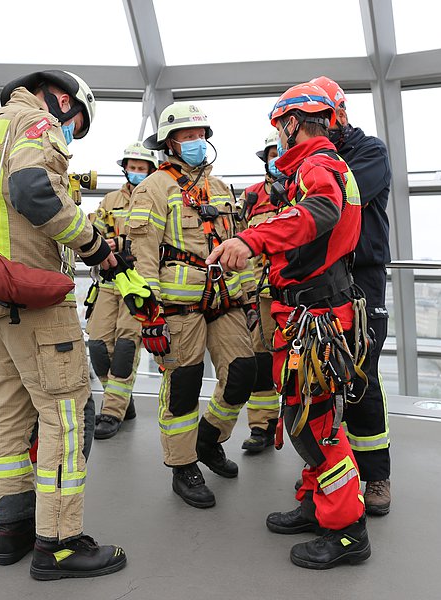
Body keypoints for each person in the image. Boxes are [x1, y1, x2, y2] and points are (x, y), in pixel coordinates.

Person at [0, 70, 126, 581]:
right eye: (76, 124)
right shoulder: (38, 124)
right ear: (63, 101)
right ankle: (58, 543)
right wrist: (94, 246)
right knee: (69, 415)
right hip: (34, 304)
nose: (72, 135)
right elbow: (35, 190)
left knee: (10, 415)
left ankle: (11, 529)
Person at [208, 82, 371, 569]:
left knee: (318, 425)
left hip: (318, 314)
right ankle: (315, 501)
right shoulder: (308, 168)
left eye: (280, 126)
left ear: (292, 123)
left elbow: (319, 213)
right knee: (303, 412)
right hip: (304, 313)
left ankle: (346, 531)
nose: (278, 135)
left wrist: (254, 240)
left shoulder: (319, 167)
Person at [128, 101, 256, 509]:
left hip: (227, 301)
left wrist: (250, 297)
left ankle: (208, 439)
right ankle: (182, 466)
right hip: (178, 308)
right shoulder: (154, 188)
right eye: (188, 136)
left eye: (201, 136)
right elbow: (142, 254)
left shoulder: (220, 189)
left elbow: (240, 248)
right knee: (183, 386)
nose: (197, 142)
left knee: (243, 374)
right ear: (170, 143)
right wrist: (150, 317)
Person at [311, 75, 392, 515]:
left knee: (362, 375)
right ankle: (332, 476)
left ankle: (375, 476)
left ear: (339, 115)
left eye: (324, 119)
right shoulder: (315, 158)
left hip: (362, 278)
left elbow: (337, 198)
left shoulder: (370, 152)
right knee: (320, 376)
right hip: (326, 280)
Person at [86, 142, 158, 439]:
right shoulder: (110, 200)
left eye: (143, 169)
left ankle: (112, 411)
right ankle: (123, 401)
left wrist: (125, 244)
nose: (137, 172)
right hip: (108, 282)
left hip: (138, 283)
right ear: (125, 168)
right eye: (133, 167)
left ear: (151, 171)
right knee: (99, 347)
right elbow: (92, 234)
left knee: (126, 348)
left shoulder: (158, 198)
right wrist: (106, 245)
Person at [237, 129, 281, 453]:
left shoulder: (304, 190)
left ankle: (306, 435)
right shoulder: (251, 197)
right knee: (261, 363)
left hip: (298, 296)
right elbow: (237, 242)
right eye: (271, 155)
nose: (276, 159)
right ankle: (262, 426)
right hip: (261, 295)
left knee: (302, 365)